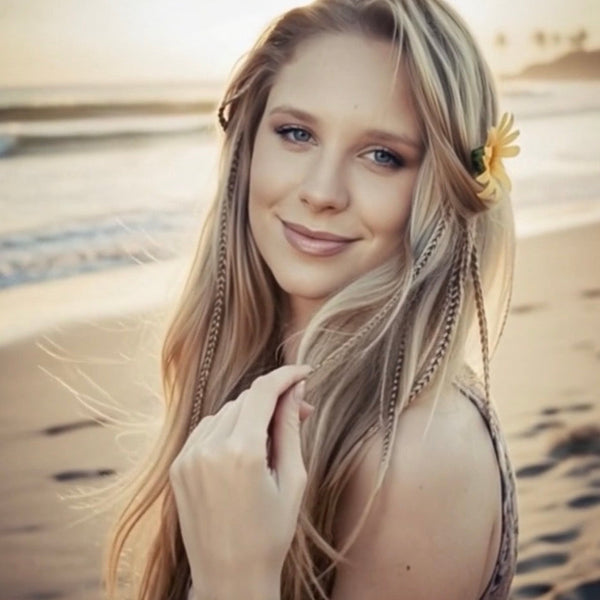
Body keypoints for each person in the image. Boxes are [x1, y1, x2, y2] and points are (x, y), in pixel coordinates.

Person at [104, 0, 521, 598]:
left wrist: (235, 579)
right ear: (248, 147)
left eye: (383, 156)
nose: (322, 192)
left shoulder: (416, 456)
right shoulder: (251, 379)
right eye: (296, 133)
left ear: (445, 190)